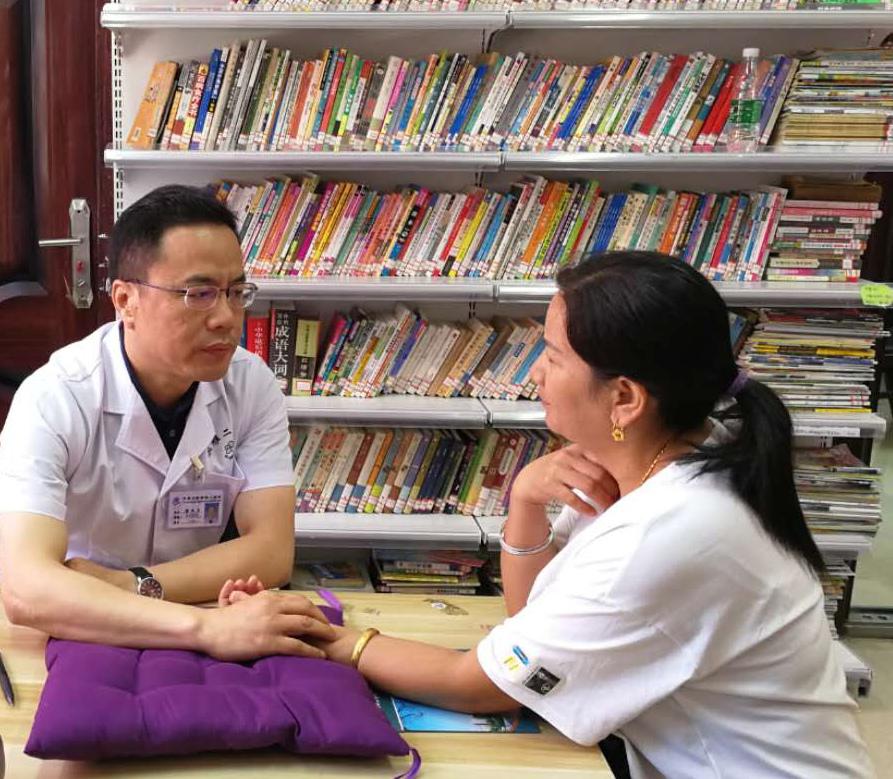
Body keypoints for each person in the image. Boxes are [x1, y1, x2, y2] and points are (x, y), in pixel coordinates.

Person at [226, 251, 874, 777]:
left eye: (554, 355)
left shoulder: (669, 530)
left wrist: (334, 640)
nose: (535, 373)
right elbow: (531, 620)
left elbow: (480, 683)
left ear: (624, 399)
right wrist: (525, 501)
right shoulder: (668, 461)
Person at [0, 184, 334, 661]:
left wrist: (133, 584)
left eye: (236, 292)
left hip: (183, 613)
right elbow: (26, 589)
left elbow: (272, 551)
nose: (226, 318)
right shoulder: (55, 397)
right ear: (125, 300)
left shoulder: (250, 384)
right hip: (84, 628)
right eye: (199, 294)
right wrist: (207, 629)